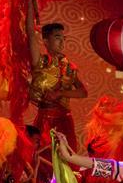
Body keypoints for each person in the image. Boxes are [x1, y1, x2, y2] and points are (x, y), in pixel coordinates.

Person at [27, 9, 87, 149]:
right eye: (57, 38)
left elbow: (83, 92)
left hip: (65, 120)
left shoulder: (69, 67)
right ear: (46, 41)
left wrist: (60, 93)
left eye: (63, 39)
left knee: (69, 160)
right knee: (46, 159)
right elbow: (30, 32)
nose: (62, 43)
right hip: (46, 119)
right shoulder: (41, 62)